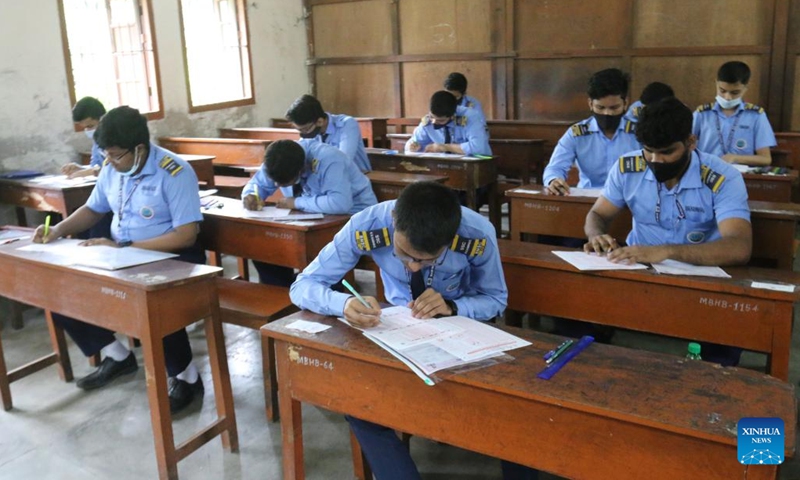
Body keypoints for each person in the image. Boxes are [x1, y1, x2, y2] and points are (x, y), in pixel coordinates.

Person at [291, 182, 535, 480]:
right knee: (357, 400)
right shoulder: (366, 226)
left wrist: (454, 307)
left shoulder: (477, 233)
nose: (415, 267)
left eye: (428, 259)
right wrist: (342, 303)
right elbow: (302, 286)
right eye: (405, 254)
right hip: (399, 330)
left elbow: (496, 299)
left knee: (513, 409)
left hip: (464, 331)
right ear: (394, 220)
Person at [34, 106, 206, 414]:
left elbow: (186, 235)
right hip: (123, 253)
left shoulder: (174, 171)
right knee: (58, 290)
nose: (108, 162)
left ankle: (186, 378)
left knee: (153, 305)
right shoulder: (114, 169)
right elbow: (93, 209)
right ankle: (117, 356)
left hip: (170, 256)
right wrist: (58, 229)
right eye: (106, 155)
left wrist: (124, 246)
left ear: (139, 148)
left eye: (115, 155)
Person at [584, 97, 751, 366]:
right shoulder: (628, 168)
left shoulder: (723, 177)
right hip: (636, 273)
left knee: (724, 346)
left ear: (691, 142)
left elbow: (738, 247)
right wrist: (596, 235)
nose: (655, 160)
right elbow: (597, 215)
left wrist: (667, 251)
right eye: (648, 150)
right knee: (577, 318)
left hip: (700, 277)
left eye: (666, 152)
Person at [241, 139, 377, 286]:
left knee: (318, 249)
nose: (277, 186)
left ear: (300, 171)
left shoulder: (329, 159)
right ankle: (282, 292)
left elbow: (340, 203)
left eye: (283, 183)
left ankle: (325, 293)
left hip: (353, 217)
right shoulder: (278, 158)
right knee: (265, 246)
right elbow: (257, 184)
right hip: (312, 217)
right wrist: (250, 195)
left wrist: (295, 202)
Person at [543, 68, 640, 195]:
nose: (607, 113)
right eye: (600, 107)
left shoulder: (640, 132)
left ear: (625, 103)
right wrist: (553, 180)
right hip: (588, 199)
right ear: (590, 104)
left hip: (630, 200)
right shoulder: (577, 134)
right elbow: (555, 167)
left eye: (614, 108)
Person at [692, 61, 776, 166]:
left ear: (745, 88)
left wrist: (735, 158)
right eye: (722, 91)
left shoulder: (756, 116)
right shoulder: (702, 114)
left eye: (735, 92)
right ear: (716, 83)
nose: (727, 97)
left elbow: (765, 159)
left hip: (740, 175)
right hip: (705, 172)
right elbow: (686, 148)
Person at [285, 94, 372, 172]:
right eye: (299, 130)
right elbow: (301, 155)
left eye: (305, 129)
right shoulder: (310, 130)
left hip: (356, 178)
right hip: (327, 179)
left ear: (320, 122)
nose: (303, 134)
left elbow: (343, 160)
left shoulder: (347, 124)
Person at [405, 91, 491, 156]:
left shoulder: (471, 117)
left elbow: (478, 148)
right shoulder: (428, 120)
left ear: (452, 115)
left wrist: (444, 147)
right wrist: (413, 146)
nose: (434, 122)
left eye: (441, 120)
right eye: (432, 117)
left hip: (476, 164)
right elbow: (411, 143)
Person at [62, 97, 106, 179]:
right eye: (85, 128)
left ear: (103, 119)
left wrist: (89, 172)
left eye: (90, 126)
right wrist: (80, 168)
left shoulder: (117, 140)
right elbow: (96, 166)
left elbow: (116, 169)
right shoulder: (97, 142)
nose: (88, 130)